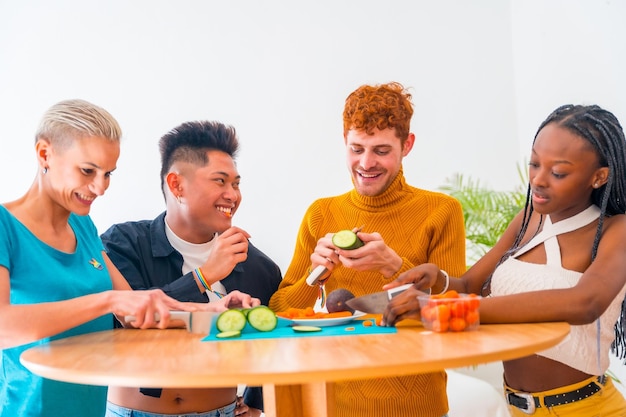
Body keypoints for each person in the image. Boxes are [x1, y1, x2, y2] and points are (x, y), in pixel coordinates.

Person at [0, 99, 259, 417]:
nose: (100, 186)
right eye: (87, 171)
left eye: (107, 173)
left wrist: (209, 310)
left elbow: (134, 311)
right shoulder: (5, 226)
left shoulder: (82, 226)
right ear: (45, 154)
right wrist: (106, 301)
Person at [383, 104, 626, 416]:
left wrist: (444, 309)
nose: (538, 180)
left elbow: (585, 302)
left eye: (558, 172)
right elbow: (472, 286)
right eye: (534, 164)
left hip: (586, 409)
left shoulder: (615, 229)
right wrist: (438, 281)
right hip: (516, 408)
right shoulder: (527, 220)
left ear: (599, 177)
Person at [268, 82, 467, 417]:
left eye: (381, 150)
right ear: (344, 143)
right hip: (333, 401)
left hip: (417, 403)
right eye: (356, 148)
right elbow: (279, 311)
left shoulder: (441, 211)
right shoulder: (321, 213)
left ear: (407, 145)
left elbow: (456, 313)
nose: (366, 163)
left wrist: (394, 266)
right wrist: (313, 277)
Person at [101, 120, 282, 417]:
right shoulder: (123, 244)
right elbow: (124, 321)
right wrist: (203, 276)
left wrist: (256, 403)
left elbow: (270, 341)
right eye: (220, 181)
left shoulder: (258, 266)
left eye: (236, 184)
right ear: (176, 185)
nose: (233, 195)